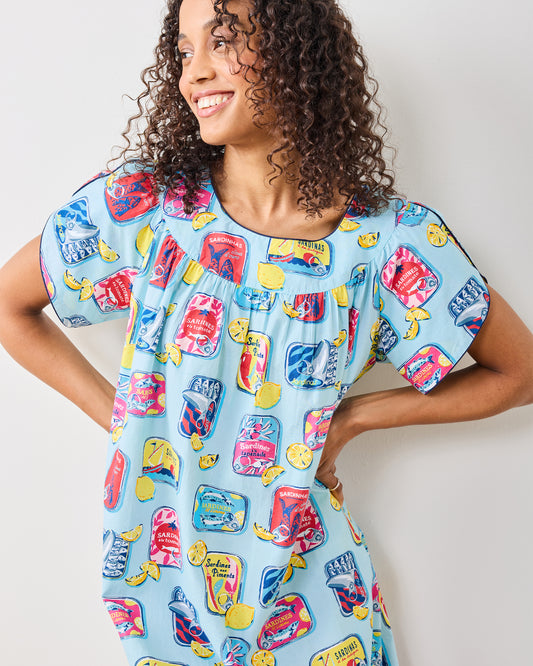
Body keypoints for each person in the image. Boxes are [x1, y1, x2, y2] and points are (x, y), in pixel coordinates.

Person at [0, 0, 532, 664]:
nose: (194, 72)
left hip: (315, 596)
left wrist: (353, 419)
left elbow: (518, 373)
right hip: (164, 593)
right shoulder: (146, 209)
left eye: (222, 40)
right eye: (184, 51)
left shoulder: (388, 242)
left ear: (296, 54)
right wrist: (127, 421)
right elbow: (10, 305)